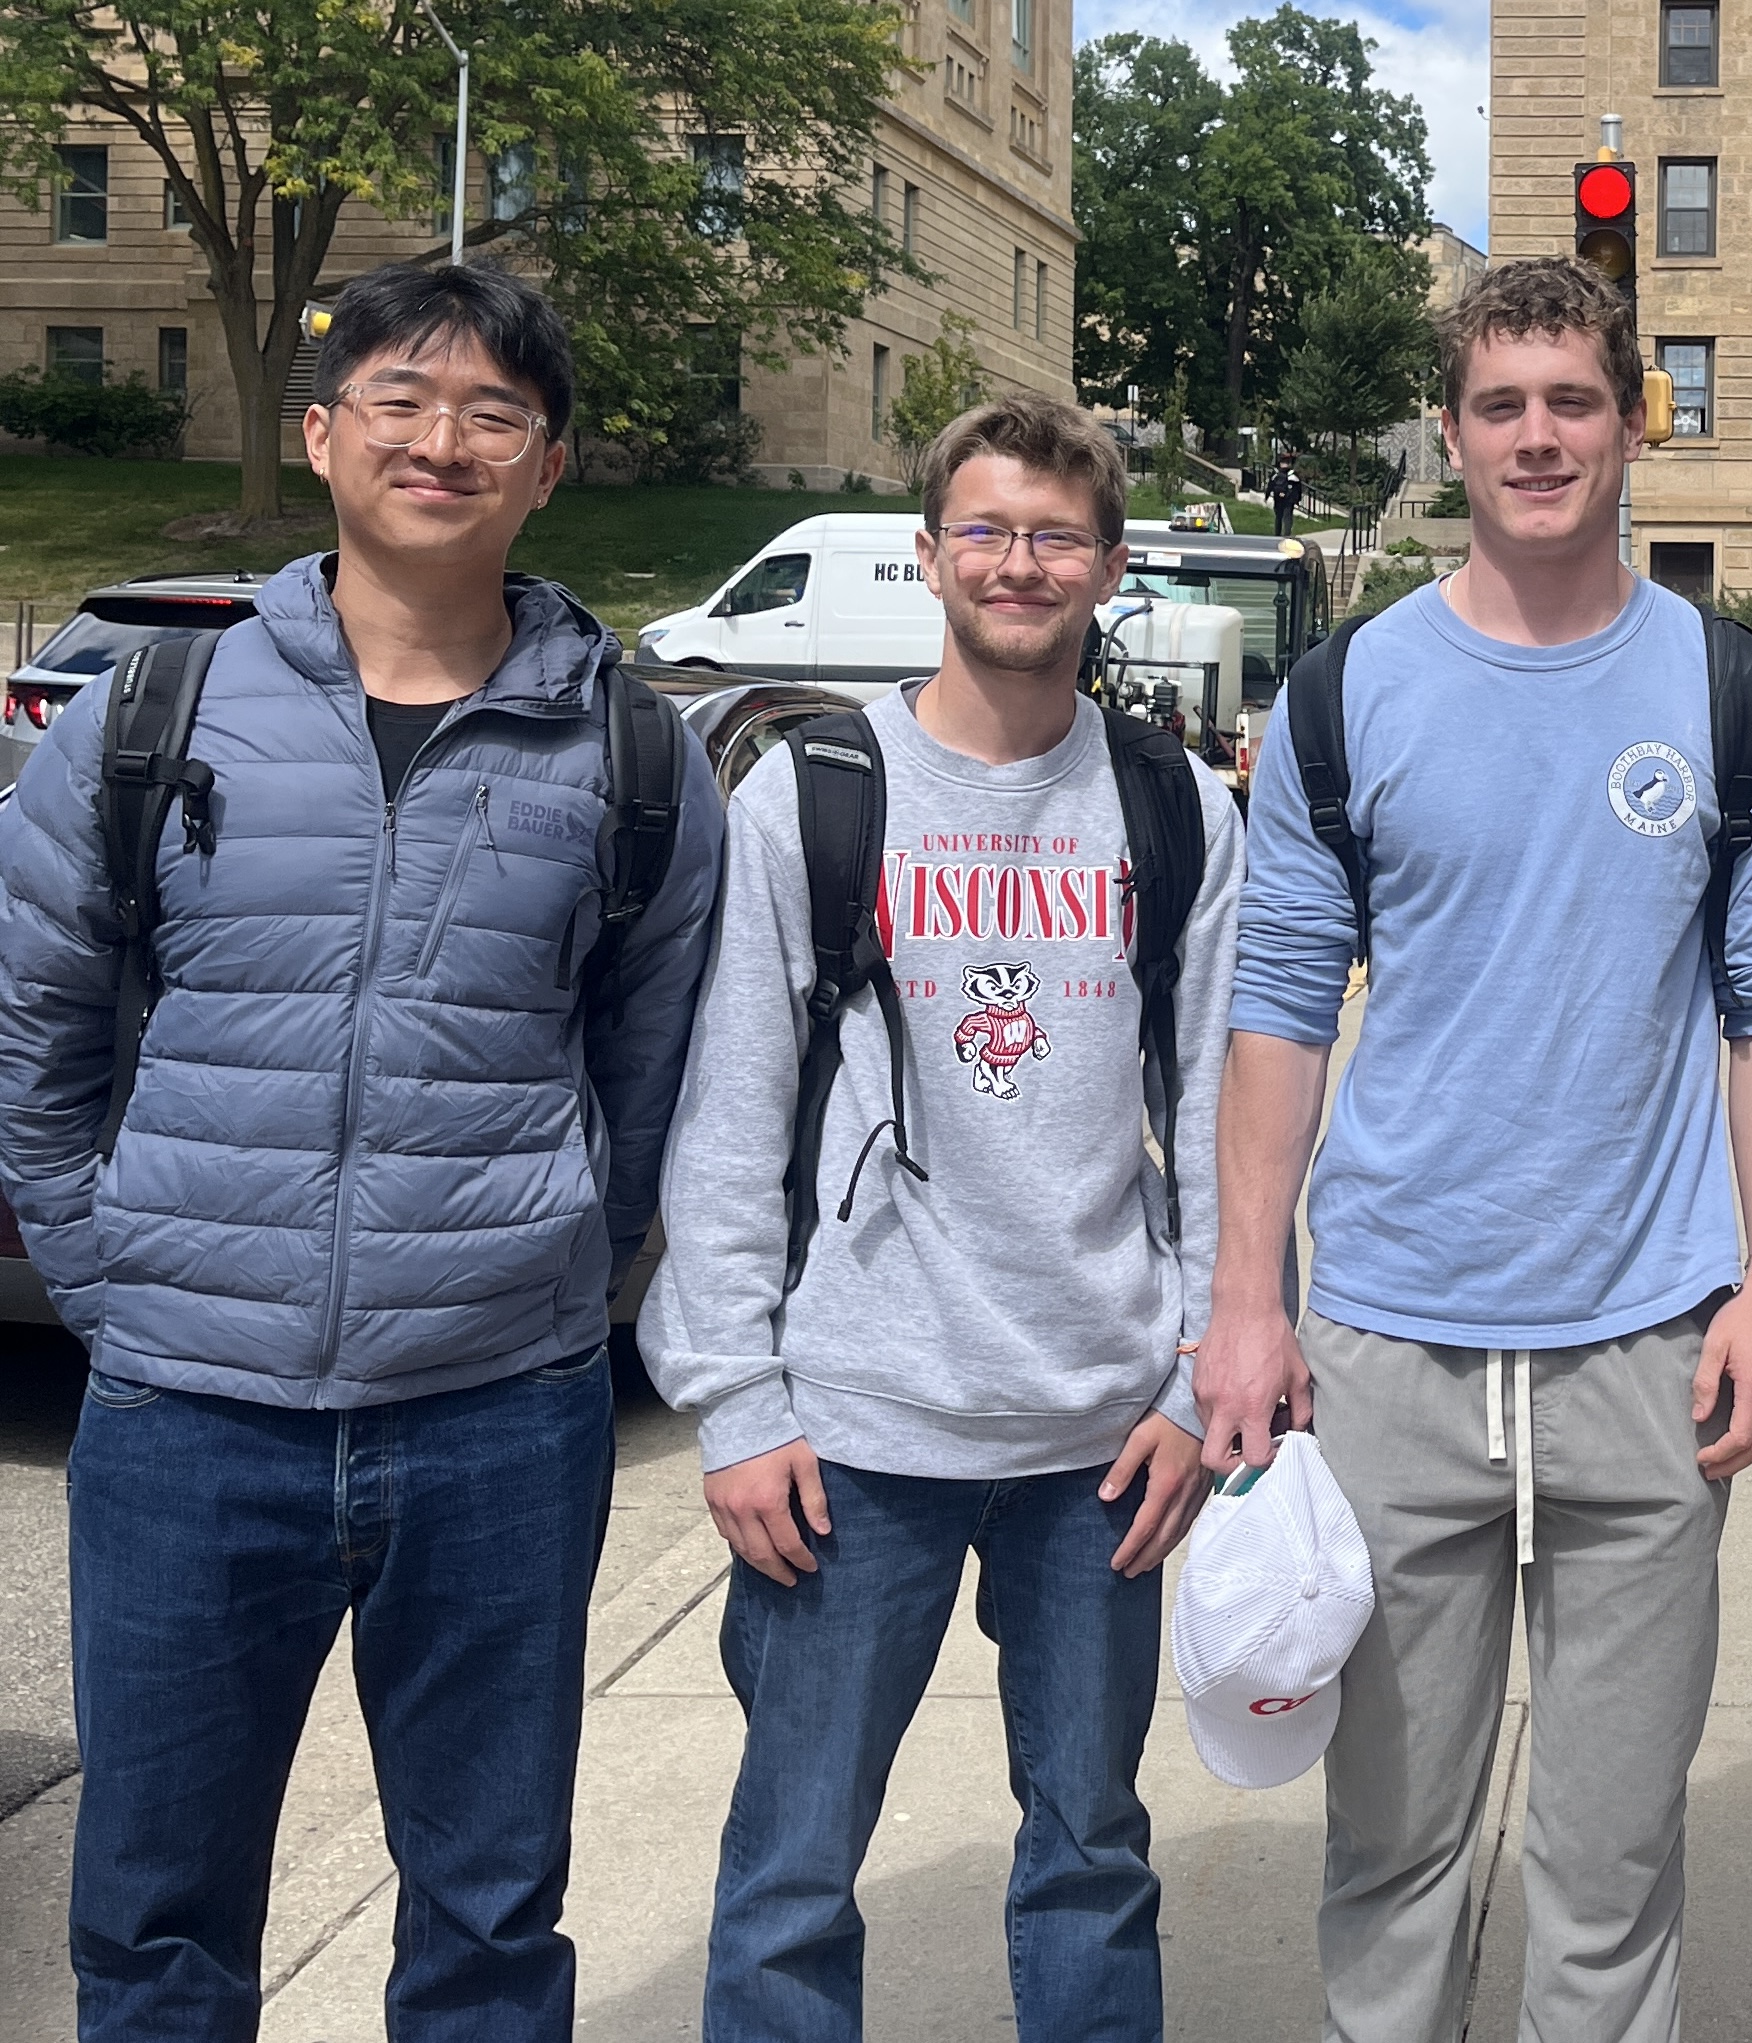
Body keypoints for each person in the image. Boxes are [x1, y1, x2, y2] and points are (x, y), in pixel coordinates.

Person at [0, 261, 725, 2040]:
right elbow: (35, 1034)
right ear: (323, 435)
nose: (443, 441)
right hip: (188, 1414)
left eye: (494, 411)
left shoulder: (629, 751)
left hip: (495, 1418)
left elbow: (649, 1069)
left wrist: (555, 1270)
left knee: (486, 1923)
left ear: (547, 468)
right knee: (157, 1925)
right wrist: (116, 1280)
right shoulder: (146, 721)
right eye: (400, 401)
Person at [1197, 254, 1752, 2043]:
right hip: (1390, 1343)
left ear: (1633, 422)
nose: (1536, 436)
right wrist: (1251, 1300)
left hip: (1647, 1345)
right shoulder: (1340, 696)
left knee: (1608, 1856)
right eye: (1498, 404)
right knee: (1390, 1842)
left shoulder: (1724, 693)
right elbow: (1279, 1016)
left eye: (1571, 400)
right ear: (1449, 434)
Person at [641, 393, 1241, 2043]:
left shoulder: (1174, 807)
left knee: (1091, 1855)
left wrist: (1201, 1374)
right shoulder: (820, 789)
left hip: (1096, 1438)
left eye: (1055, 533)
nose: (1017, 560)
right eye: (983, 529)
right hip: (854, 1430)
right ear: (927, 556)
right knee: (787, 1876)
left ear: (1108, 564)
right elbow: (732, 1112)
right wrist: (736, 1398)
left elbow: (1220, 1109)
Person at [1269, 451, 1305, 537]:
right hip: (1289, 499)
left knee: (1278, 517)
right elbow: (1298, 488)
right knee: (1287, 517)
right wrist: (1297, 499)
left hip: (1277, 498)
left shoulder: (1276, 473)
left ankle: (1277, 534)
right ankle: (1287, 535)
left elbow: (1270, 485)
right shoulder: (1293, 474)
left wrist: (1267, 495)